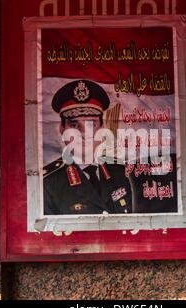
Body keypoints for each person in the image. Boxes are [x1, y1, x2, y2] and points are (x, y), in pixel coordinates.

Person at [43, 79, 132, 215]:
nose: (84, 133)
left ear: (102, 129)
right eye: (74, 125)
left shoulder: (118, 172)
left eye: (91, 124)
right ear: (62, 130)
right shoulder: (48, 183)